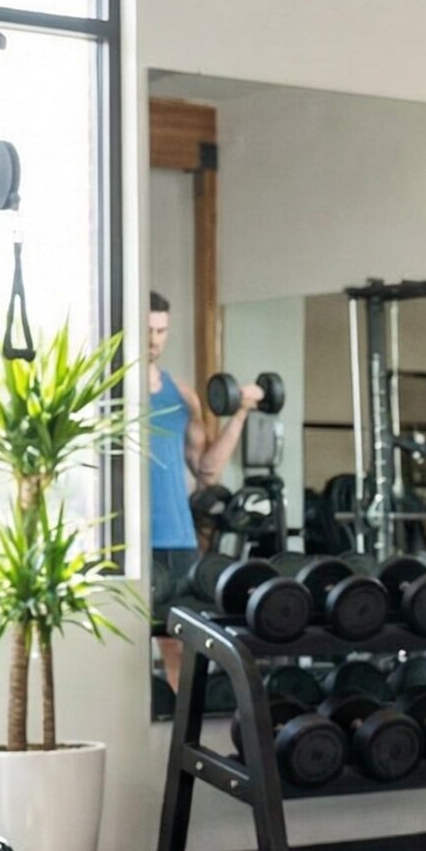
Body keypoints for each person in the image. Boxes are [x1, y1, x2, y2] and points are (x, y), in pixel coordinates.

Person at [146, 292, 257, 690]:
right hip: (126, 540)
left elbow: (208, 469)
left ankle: (182, 726)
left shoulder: (180, 394)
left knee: (178, 643)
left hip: (177, 537)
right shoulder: (109, 391)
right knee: (122, 643)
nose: (153, 340)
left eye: (161, 331)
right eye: (146, 330)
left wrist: (240, 412)